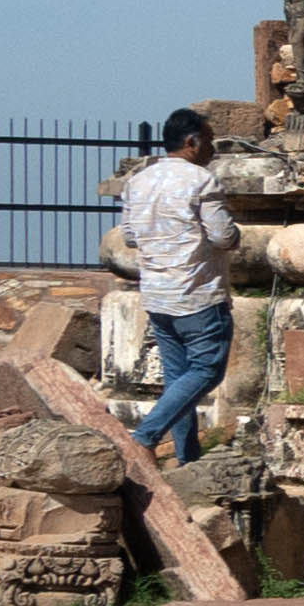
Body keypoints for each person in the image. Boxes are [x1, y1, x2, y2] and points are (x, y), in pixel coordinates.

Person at [116, 110, 242, 461]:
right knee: (206, 371)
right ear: (192, 142)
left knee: (178, 382)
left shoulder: (137, 182)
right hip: (198, 294)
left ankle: (188, 460)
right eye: (210, 140)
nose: (213, 149)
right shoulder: (202, 181)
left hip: (157, 295)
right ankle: (144, 436)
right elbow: (222, 235)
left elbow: (129, 236)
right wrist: (235, 236)